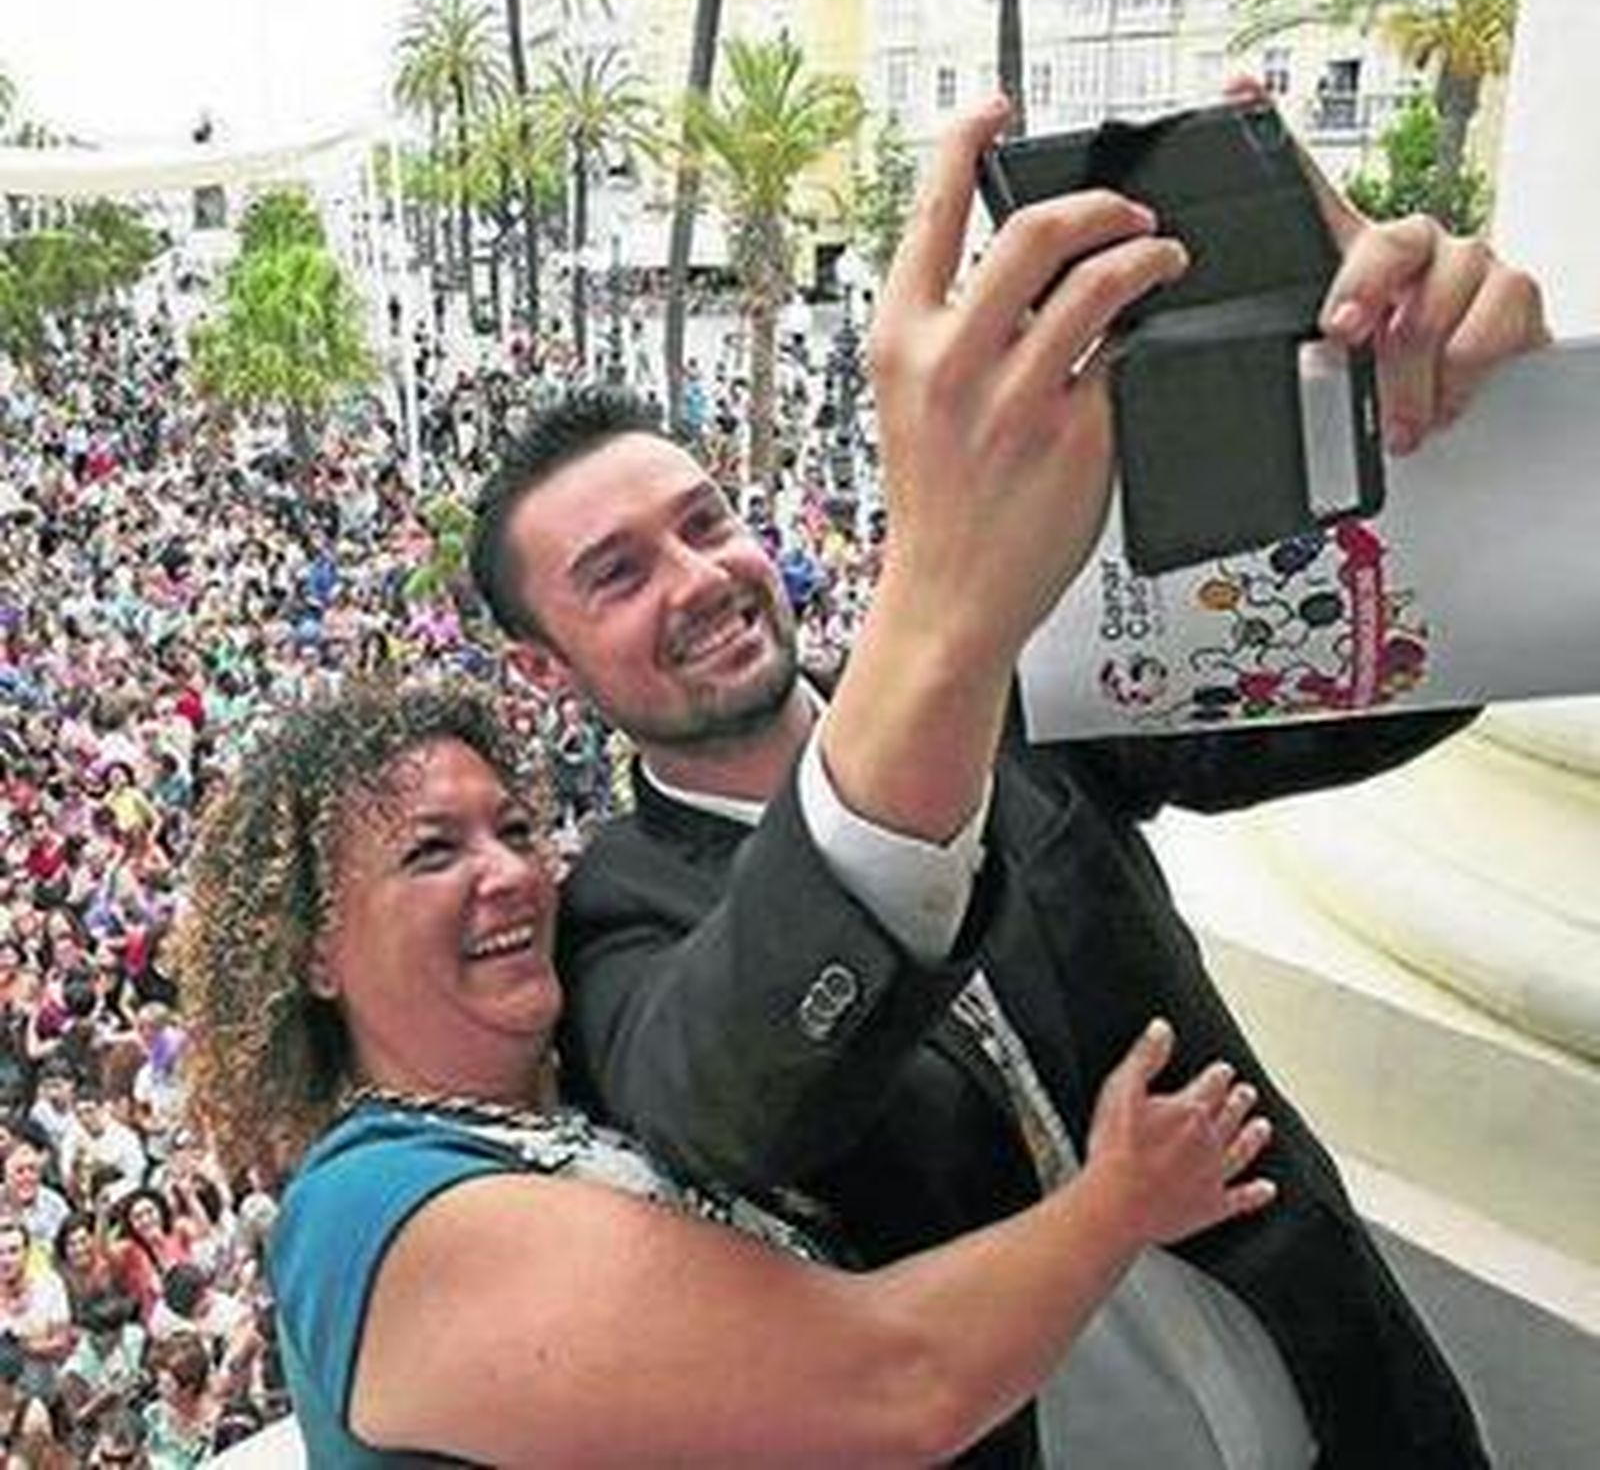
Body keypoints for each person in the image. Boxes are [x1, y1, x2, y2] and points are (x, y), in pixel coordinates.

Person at [467, 92, 1549, 1469]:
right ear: (550, 669)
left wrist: (1478, 427)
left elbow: (1385, 685)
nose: (698, 580)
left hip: (1349, 1400)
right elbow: (730, 1100)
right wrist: (947, 594)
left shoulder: (1028, 692)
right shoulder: (612, 921)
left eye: (705, 521)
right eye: (616, 573)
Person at [178, 680, 1275, 1467]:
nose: (508, 873)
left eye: (514, 828)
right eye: (433, 851)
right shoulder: (371, 1212)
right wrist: (1117, 1201)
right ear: (312, 949)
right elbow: (895, 1385)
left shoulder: (582, 1109)